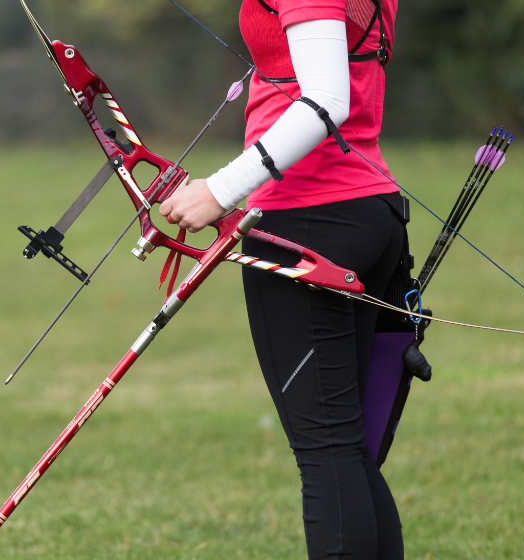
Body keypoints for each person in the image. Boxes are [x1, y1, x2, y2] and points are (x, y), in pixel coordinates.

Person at [159, 0, 405, 558]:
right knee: (346, 450)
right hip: (367, 212)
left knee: (329, 451)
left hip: (312, 219)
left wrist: (221, 189)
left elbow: (326, 100)